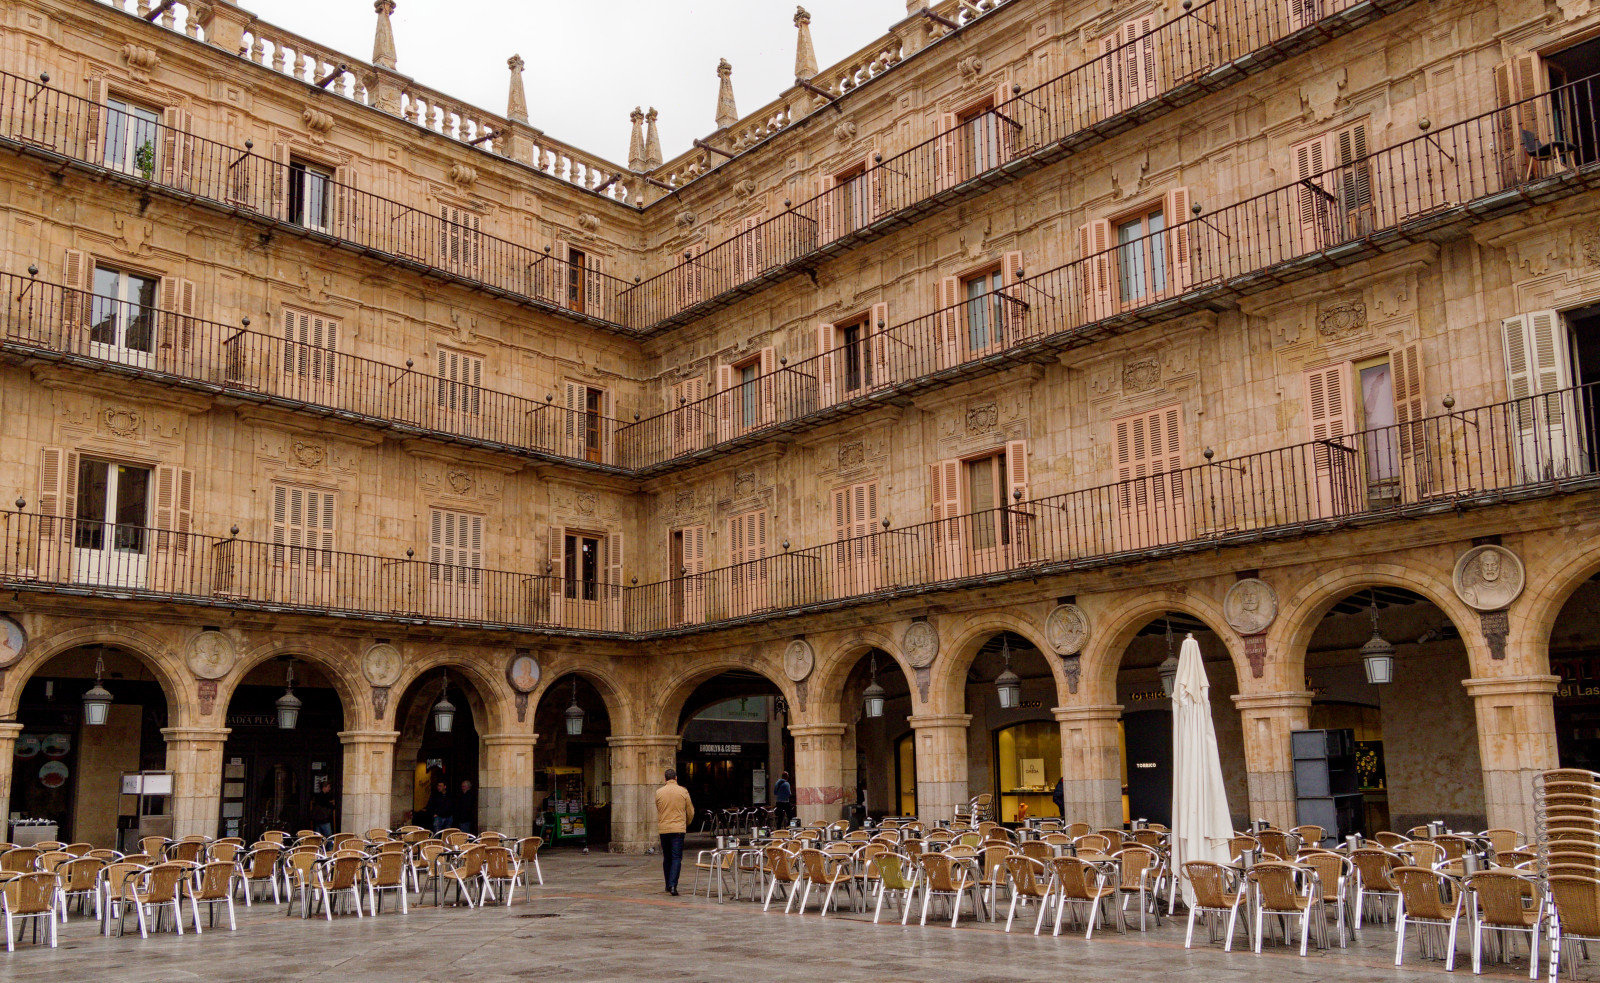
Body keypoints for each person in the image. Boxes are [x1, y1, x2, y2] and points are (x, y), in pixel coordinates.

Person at [655, 767, 695, 896]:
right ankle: (673, 885)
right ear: (676, 778)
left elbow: (658, 808)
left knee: (667, 857)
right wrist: (686, 823)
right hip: (678, 829)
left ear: (665, 779)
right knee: (676, 857)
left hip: (664, 829)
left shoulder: (659, 792)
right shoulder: (683, 792)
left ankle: (668, 884)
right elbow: (690, 811)